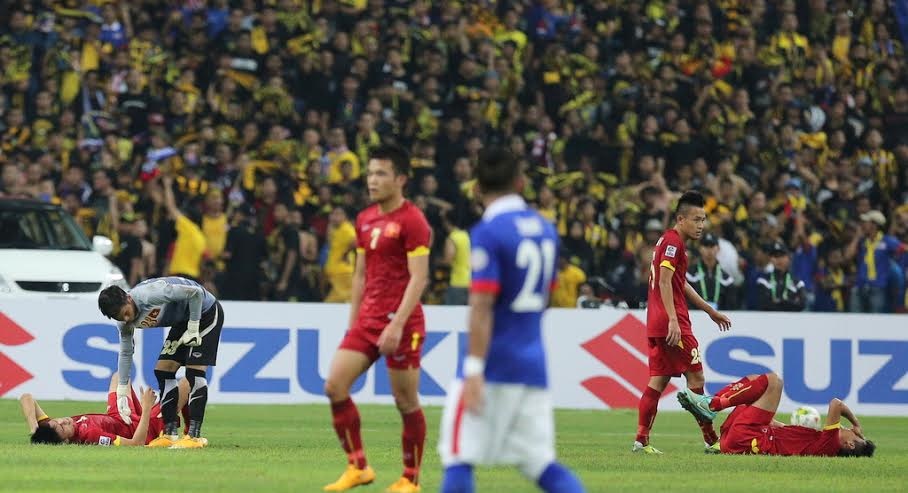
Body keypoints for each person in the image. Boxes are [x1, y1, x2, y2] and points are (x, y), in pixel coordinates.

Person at [438, 147, 585, 493]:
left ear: (476, 189)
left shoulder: (488, 232)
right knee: (541, 464)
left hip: (493, 364)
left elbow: (481, 306)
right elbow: (546, 297)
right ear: (520, 183)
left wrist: (474, 369)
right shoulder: (546, 230)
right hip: (533, 366)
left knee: (457, 457)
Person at [322, 144, 432, 493]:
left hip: (403, 323)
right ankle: (358, 467)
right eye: (370, 173)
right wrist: (353, 323)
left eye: (381, 173)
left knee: (405, 402)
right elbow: (360, 275)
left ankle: (410, 479)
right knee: (335, 386)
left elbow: (419, 278)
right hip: (368, 321)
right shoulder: (365, 219)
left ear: (401, 179)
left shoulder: (413, 220)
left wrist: (396, 325)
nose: (372, 180)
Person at [633, 191, 732, 455]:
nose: (701, 225)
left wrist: (709, 310)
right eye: (696, 220)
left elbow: (679, 282)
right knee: (696, 376)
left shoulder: (669, 241)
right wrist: (674, 321)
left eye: (703, 220)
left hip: (657, 321)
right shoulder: (674, 243)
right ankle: (711, 440)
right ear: (680, 219)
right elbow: (665, 282)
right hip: (671, 322)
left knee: (658, 381)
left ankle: (641, 441)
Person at [97, 276, 225, 449]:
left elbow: (195, 293)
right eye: (120, 317)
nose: (126, 319)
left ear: (128, 298)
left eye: (126, 313)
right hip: (183, 320)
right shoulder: (124, 323)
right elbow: (126, 352)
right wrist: (121, 391)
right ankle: (169, 433)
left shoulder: (151, 294)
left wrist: (194, 327)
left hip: (205, 312)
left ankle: (194, 436)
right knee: (163, 371)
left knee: (194, 372)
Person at [678, 372, 875, 457]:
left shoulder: (830, 444)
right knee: (753, 385)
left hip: (749, 437)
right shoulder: (820, 443)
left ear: (850, 444)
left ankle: (711, 405)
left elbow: (836, 404)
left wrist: (856, 422)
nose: (852, 430)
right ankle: (712, 437)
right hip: (736, 441)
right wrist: (767, 419)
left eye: (856, 435)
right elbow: (783, 430)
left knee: (774, 382)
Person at [23, 373, 191, 447]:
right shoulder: (91, 436)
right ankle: (189, 432)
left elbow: (26, 397)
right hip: (143, 430)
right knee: (186, 383)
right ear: (65, 441)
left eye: (57, 421)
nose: (64, 421)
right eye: (62, 427)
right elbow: (136, 444)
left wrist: (34, 428)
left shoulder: (50, 429)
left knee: (120, 377)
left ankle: (140, 413)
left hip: (117, 417)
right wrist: (146, 409)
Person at [686, 233, 737, 310]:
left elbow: (731, 306)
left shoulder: (727, 279)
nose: (709, 250)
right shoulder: (689, 275)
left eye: (712, 246)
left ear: (718, 248)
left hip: (719, 316)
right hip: (695, 315)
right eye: (706, 246)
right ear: (700, 248)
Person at [756, 241, 807, 311]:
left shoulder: (798, 283)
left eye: (782, 255)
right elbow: (763, 304)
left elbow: (802, 305)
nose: (778, 259)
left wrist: (779, 302)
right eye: (775, 256)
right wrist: (790, 302)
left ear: (789, 258)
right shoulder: (763, 280)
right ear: (770, 259)